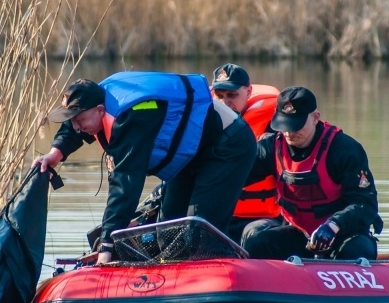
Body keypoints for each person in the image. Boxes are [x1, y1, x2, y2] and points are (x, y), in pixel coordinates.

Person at [35, 71, 256, 264]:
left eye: (80, 120)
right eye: (73, 121)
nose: (76, 126)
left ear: (101, 111)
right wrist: (57, 152)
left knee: (199, 234)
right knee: (167, 233)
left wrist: (107, 246)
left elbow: (125, 186)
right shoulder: (94, 100)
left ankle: (231, 275)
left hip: (227, 145)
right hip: (189, 156)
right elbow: (75, 119)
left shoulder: (131, 118)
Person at [241, 86, 383, 260]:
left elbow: (365, 204)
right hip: (300, 234)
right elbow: (232, 177)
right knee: (257, 242)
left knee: (356, 250)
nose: (289, 132)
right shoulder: (270, 148)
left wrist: (333, 225)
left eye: (296, 125)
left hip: (342, 234)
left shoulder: (344, 149)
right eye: (284, 125)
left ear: (315, 118)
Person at [210, 63, 282, 241]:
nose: (225, 103)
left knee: (254, 237)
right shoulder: (203, 126)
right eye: (219, 96)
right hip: (217, 216)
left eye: (232, 95)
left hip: (262, 219)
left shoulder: (274, 127)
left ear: (248, 92)